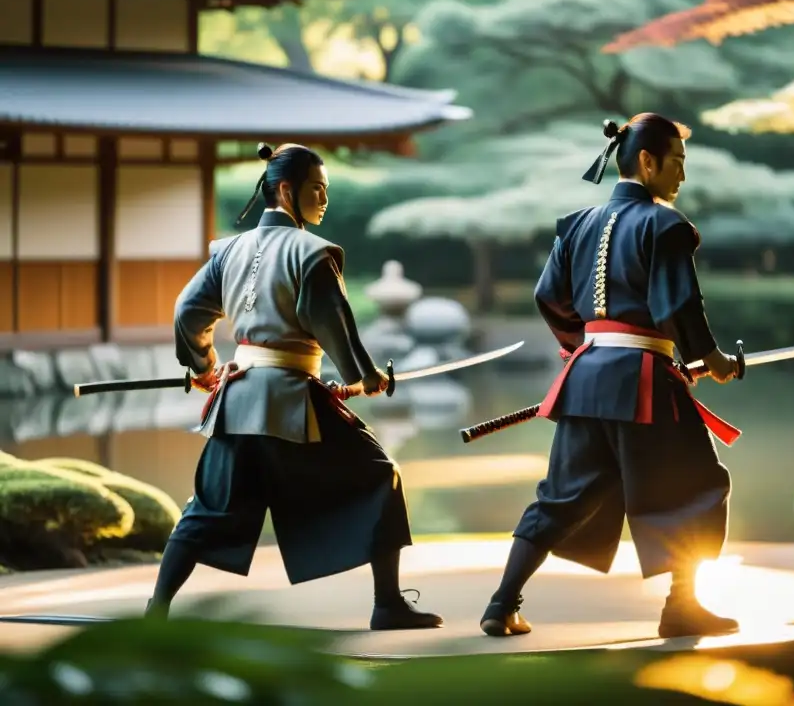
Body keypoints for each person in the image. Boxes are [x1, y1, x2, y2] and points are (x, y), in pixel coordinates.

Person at [144, 142, 443, 631]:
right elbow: (333, 324)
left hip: (235, 397)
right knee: (378, 474)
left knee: (208, 508)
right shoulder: (312, 253)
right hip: (288, 400)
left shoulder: (228, 249)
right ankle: (386, 604)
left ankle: (155, 613)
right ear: (286, 190)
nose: (324, 199)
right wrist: (364, 377)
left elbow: (187, 312)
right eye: (317, 189)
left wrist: (203, 365)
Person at [479, 113, 743, 640]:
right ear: (648, 162)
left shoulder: (576, 223)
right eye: (678, 164)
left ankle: (502, 603)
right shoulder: (667, 225)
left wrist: (583, 348)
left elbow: (547, 297)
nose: (682, 178)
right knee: (700, 487)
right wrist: (711, 359)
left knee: (560, 497)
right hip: (643, 382)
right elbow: (679, 305)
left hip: (586, 380)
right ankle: (682, 606)